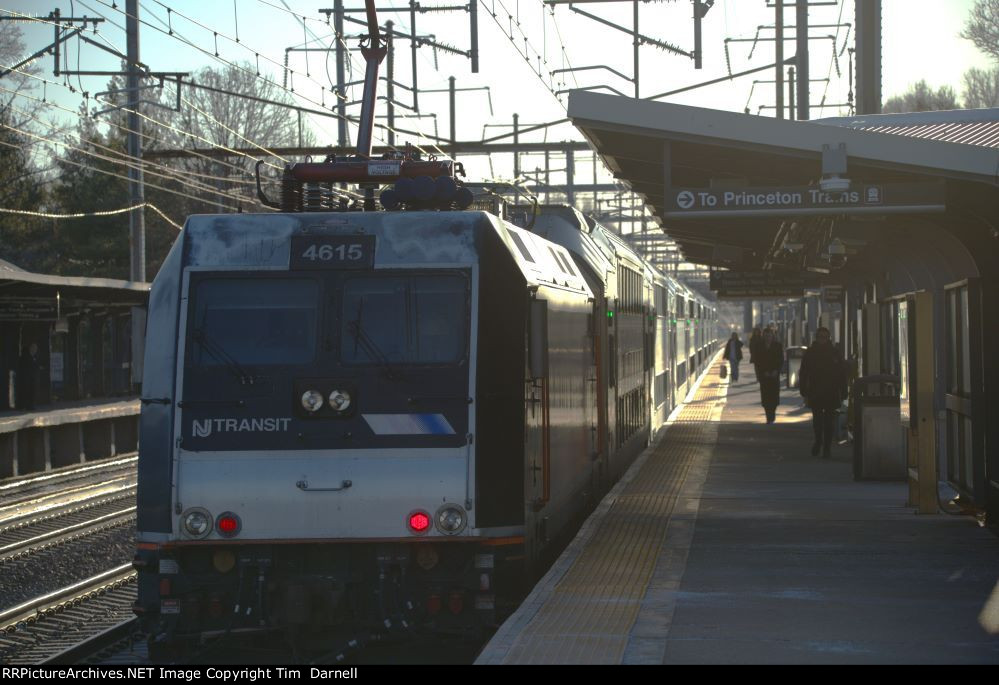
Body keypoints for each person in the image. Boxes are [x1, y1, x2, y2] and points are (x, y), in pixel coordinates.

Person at [799, 326, 847, 458]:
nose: (822, 340)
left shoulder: (834, 353)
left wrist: (843, 390)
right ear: (816, 338)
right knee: (817, 420)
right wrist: (803, 389)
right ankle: (818, 441)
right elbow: (803, 372)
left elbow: (842, 373)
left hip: (831, 391)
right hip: (815, 390)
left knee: (830, 421)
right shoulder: (810, 352)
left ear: (829, 338)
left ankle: (826, 447)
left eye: (825, 337)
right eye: (820, 337)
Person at [755, 328, 783, 424]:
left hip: (774, 376)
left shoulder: (778, 346)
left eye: (769, 336)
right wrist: (762, 372)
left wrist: (776, 371)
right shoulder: (759, 347)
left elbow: (780, 360)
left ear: (772, 336)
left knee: (774, 395)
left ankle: (772, 413)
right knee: (766, 396)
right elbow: (758, 361)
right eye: (766, 336)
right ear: (764, 336)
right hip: (764, 376)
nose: (768, 338)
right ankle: (768, 416)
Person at [16, 342, 40, 411]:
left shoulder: (33, 357)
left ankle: (29, 406)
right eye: (33, 348)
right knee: (26, 392)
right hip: (26, 378)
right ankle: (25, 406)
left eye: (36, 349)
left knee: (31, 392)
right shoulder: (25, 357)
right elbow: (24, 367)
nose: (35, 350)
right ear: (30, 348)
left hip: (31, 378)